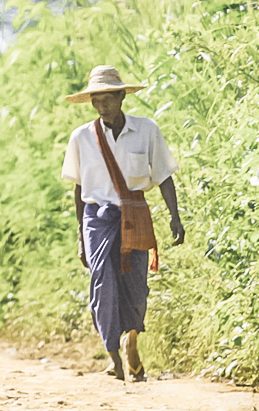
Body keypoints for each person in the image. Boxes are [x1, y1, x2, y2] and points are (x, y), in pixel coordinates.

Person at [62, 65, 184, 382]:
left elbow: (163, 176)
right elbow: (79, 189)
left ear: (120, 97)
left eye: (108, 99)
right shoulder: (81, 138)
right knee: (103, 284)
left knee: (136, 287)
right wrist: (80, 236)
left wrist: (175, 216)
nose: (102, 106)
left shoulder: (146, 130)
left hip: (135, 213)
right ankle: (113, 358)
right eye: (96, 100)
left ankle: (132, 339)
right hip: (97, 218)